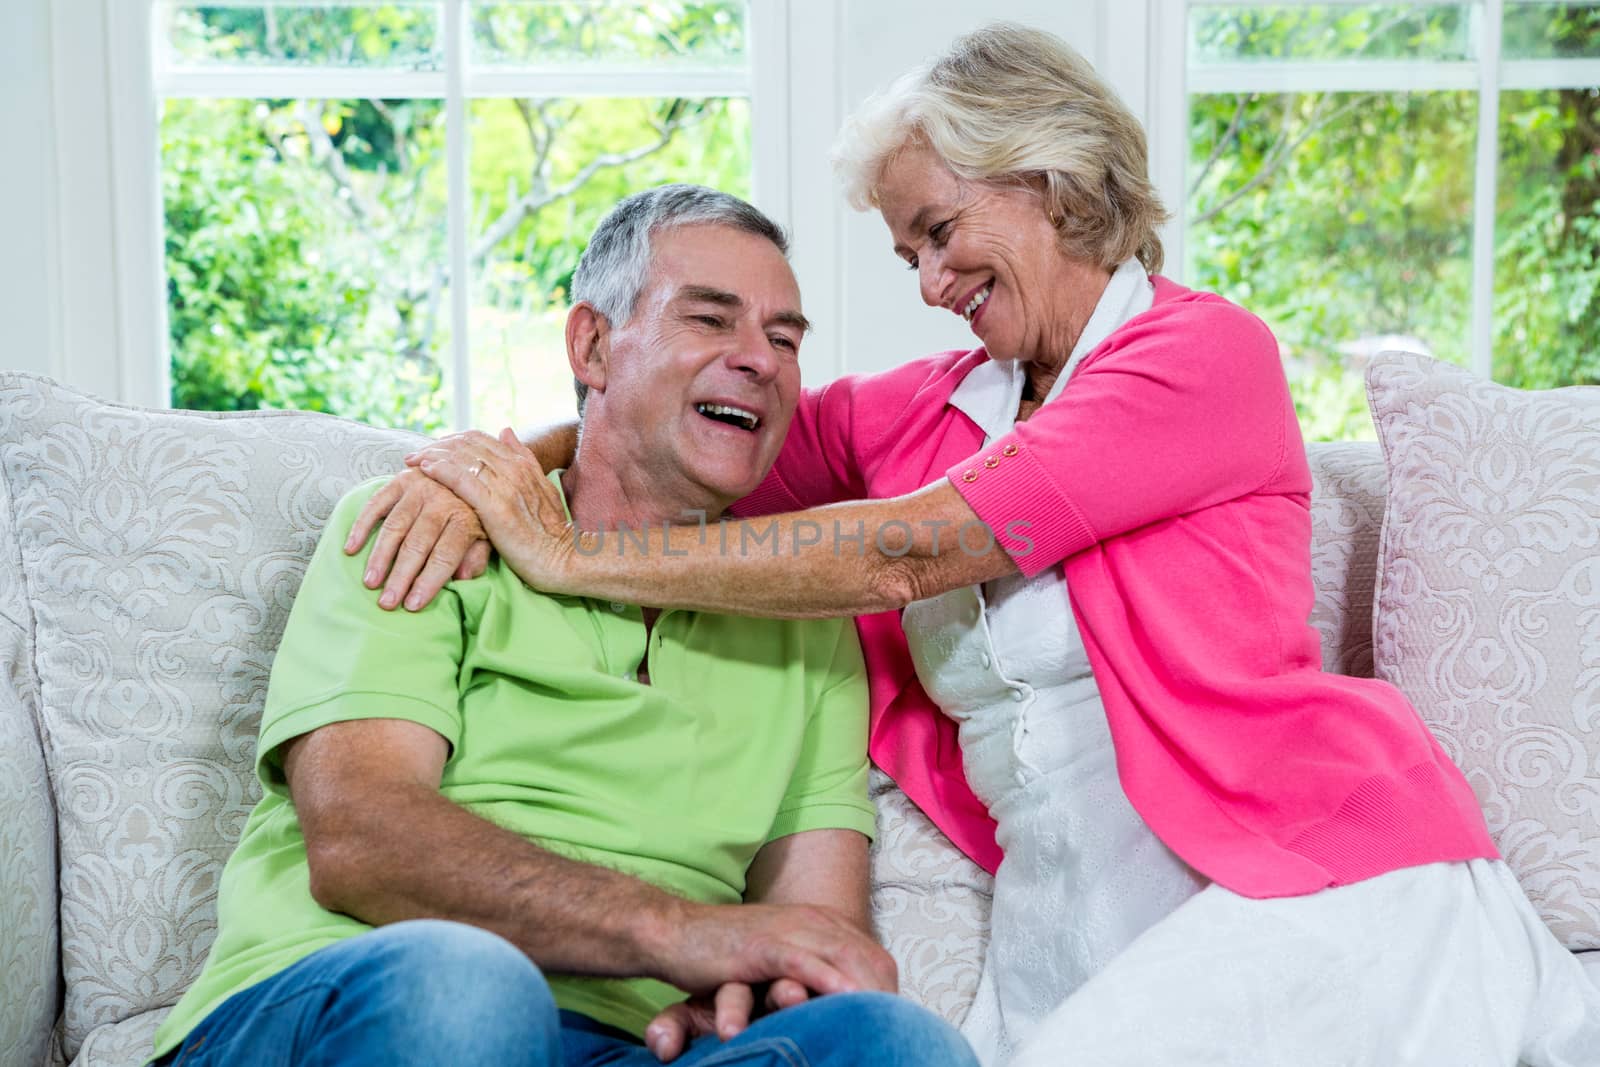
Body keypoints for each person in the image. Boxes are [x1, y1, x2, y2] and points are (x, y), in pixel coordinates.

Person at [349, 24, 1600, 1067]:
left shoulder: (1199, 356)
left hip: (1303, 881)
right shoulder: (926, 407)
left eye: (941, 231)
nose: (929, 278)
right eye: (907, 252)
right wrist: (492, 472)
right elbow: (675, 441)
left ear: (1050, 178)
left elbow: (901, 555)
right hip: (1065, 933)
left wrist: (565, 557)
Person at [147, 185, 980, 1067]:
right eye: (710, 320)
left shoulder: (805, 623)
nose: (761, 362)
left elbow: (817, 934)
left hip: (630, 1048)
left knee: (893, 1042)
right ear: (592, 345)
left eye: (784, 339)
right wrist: (677, 933)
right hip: (360, 1000)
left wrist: (762, 991)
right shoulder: (424, 529)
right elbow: (362, 836)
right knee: (469, 990)